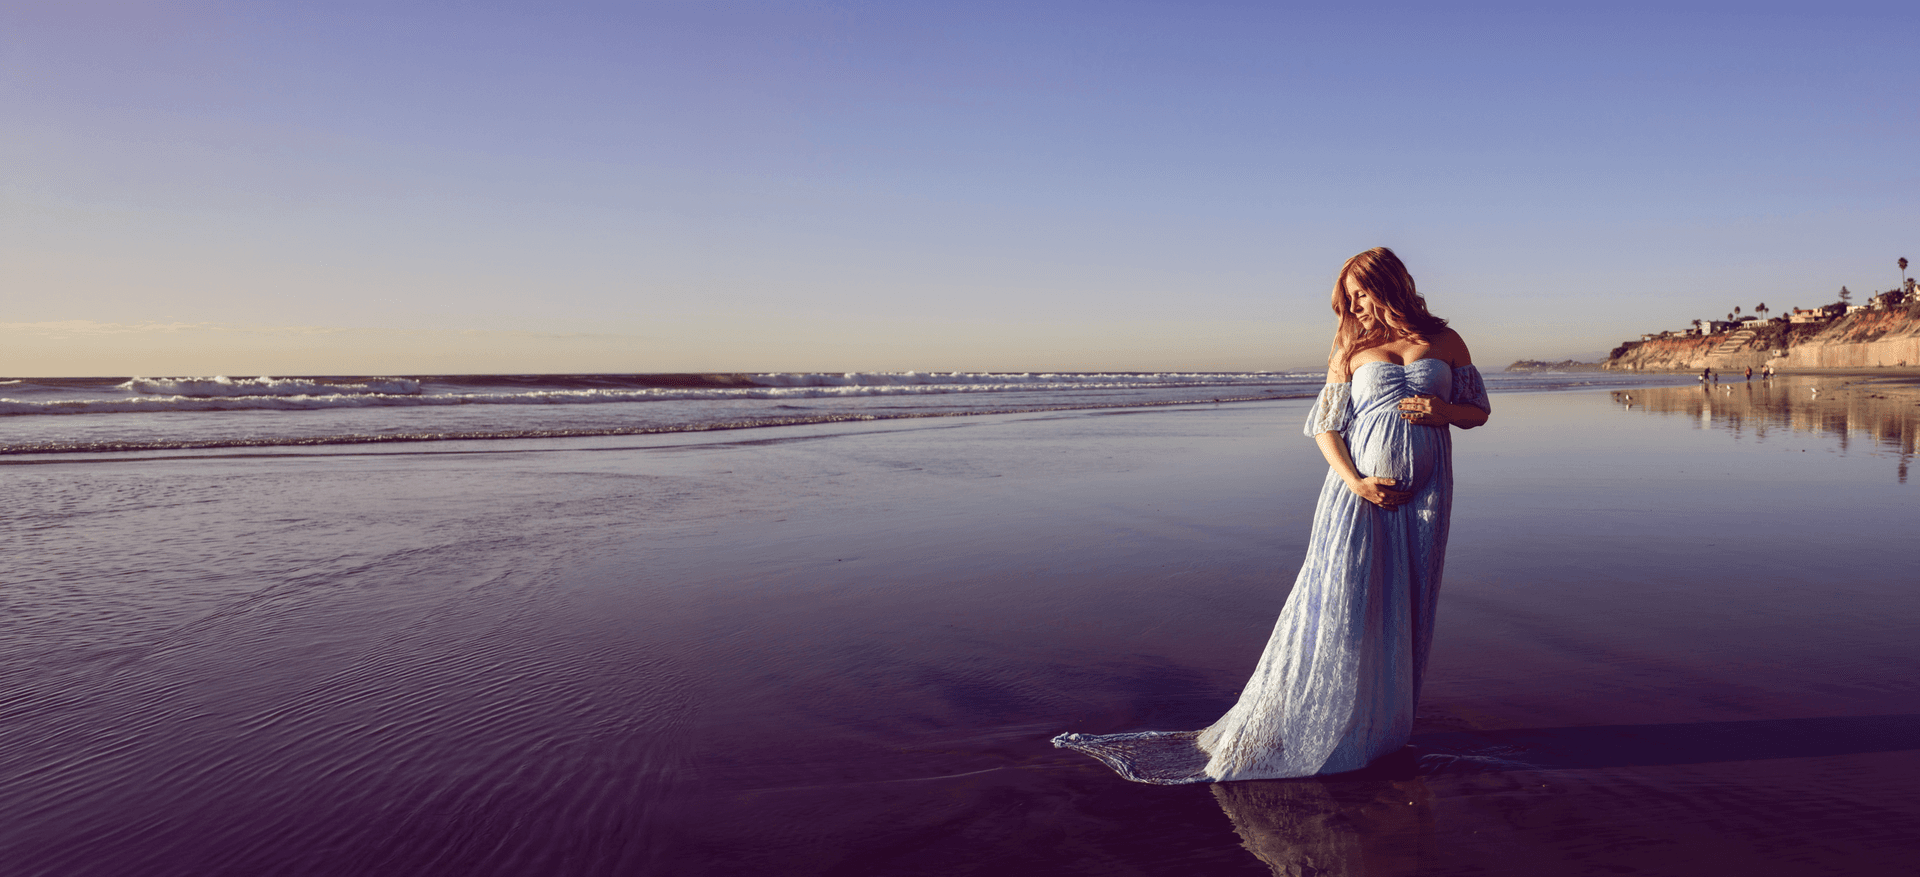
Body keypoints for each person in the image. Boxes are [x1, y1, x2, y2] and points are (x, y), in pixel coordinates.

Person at [1053, 247, 1492, 783]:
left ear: (1392, 284)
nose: (1356, 305)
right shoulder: (1351, 343)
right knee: (1341, 600)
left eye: (1362, 293)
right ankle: (1311, 721)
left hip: (1426, 499)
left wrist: (1444, 412)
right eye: (1348, 297)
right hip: (1355, 496)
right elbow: (1326, 425)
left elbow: (1478, 411)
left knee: (1406, 603)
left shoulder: (1446, 341)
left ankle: (1378, 727)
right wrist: (1356, 481)